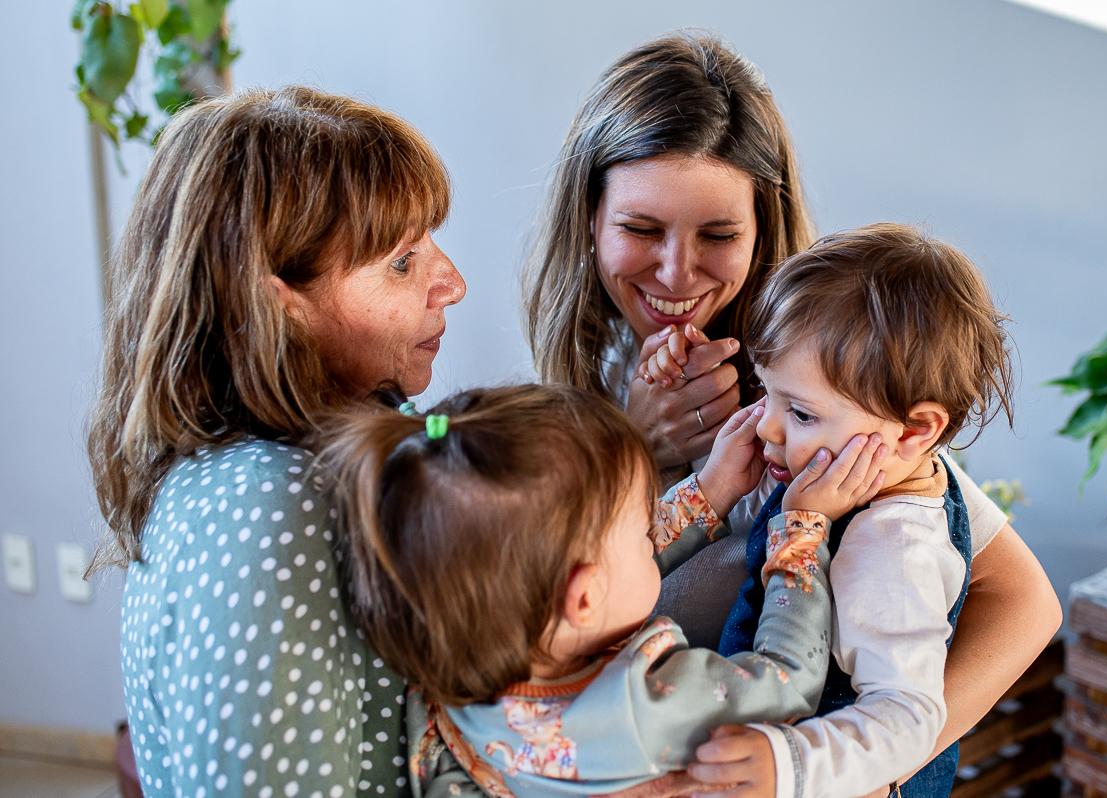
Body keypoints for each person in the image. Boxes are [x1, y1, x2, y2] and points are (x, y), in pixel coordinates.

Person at [521, 29, 1061, 795]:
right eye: (641, 229)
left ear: (762, 228)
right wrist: (634, 445)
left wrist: (867, 768)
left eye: (719, 235)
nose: (676, 272)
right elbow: (538, 608)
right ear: (590, 218)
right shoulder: (577, 392)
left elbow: (1025, 603)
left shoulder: (828, 390)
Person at [89, 86, 466, 798]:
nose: (452, 284)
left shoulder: (320, 453)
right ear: (279, 305)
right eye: (402, 262)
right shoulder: (270, 507)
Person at [316, 383, 886, 798]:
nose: (650, 536)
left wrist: (709, 491)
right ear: (584, 600)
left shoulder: (449, 681)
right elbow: (789, 680)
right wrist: (802, 530)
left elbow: (597, 574)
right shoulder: (645, 704)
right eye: (642, 532)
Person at [650, 223, 1015, 797]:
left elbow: (907, 714)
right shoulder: (822, 472)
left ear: (914, 431)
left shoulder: (893, 547)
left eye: (800, 412)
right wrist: (714, 489)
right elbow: (630, 557)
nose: (767, 427)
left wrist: (789, 764)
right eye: (766, 392)